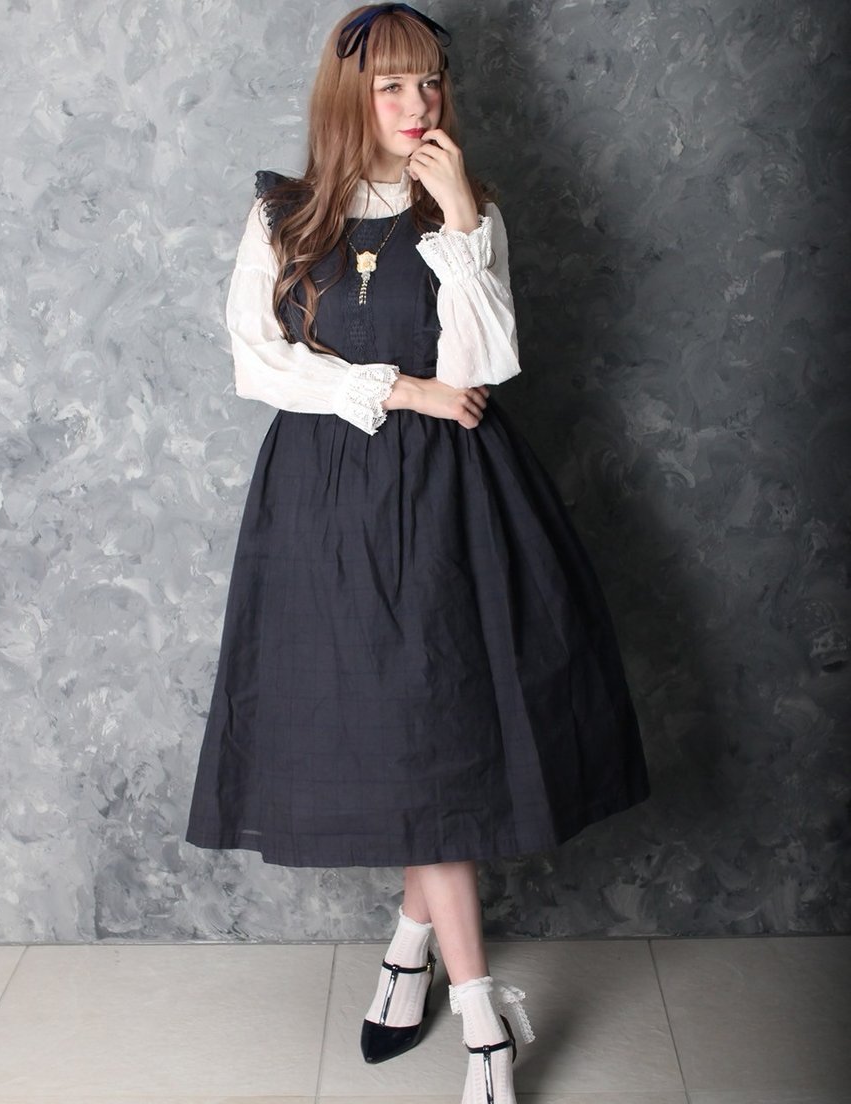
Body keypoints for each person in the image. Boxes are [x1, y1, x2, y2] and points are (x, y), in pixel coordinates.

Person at [185, 4, 651, 1100]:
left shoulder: (465, 210)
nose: (416, 103)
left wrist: (458, 220)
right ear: (349, 95)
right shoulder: (284, 210)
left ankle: (469, 1008)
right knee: (402, 733)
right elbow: (259, 361)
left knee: (433, 731)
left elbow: (483, 366)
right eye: (392, 85)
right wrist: (400, 389)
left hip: (452, 494)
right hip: (325, 499)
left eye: (430, 82)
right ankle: (424, 967)